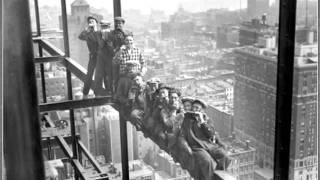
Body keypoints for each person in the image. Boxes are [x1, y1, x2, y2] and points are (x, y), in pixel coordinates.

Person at [180, 98, 231, 179]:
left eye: (197, 108)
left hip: (209, 145)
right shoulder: (188, 119)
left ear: (202, 110)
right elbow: (184, 133)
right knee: (207, 161)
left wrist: (203, 122)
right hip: (197, 147)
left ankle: (217, 176)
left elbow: (211, 134)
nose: (194, 109)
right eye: (194, 107)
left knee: (225, 157)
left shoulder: (206, 119)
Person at [106, 17, 132, 88]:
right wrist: (115, 51)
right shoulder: (111, 34)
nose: (118, 25)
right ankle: (116, 93)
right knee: (115, 76)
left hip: (126, 58)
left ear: (123, 24)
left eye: (120, 23)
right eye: (116, 23)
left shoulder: (128, 33)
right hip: (115, 58)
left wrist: (123, 32)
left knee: (127, 75)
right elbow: (109, 45)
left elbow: (130, 43)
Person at [79, 15, 100, 98]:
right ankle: (85, 93)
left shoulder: (100, 33)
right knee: (89, 75)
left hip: (100, 57)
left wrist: (94, 30)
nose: (91, 23)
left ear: (96, 23)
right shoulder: (88, 34)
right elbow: (80, 37)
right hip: (92, 56)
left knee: (99, 75)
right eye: (89, 22)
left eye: (92, 21)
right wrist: (87, 30)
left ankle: (97, 94)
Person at [94, 20, 113, 96]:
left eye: (106, 26)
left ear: (109, 27)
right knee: (99, 74)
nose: (104, 28)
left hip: (109, 57)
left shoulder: (111, 34)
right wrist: (104, 37)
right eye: (103, 26)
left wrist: (107, 39)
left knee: (109, 74)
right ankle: (98, 91)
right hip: (101, 57)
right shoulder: (98, 33)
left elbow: (111, 46)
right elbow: (101, 45)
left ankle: (109, 90)